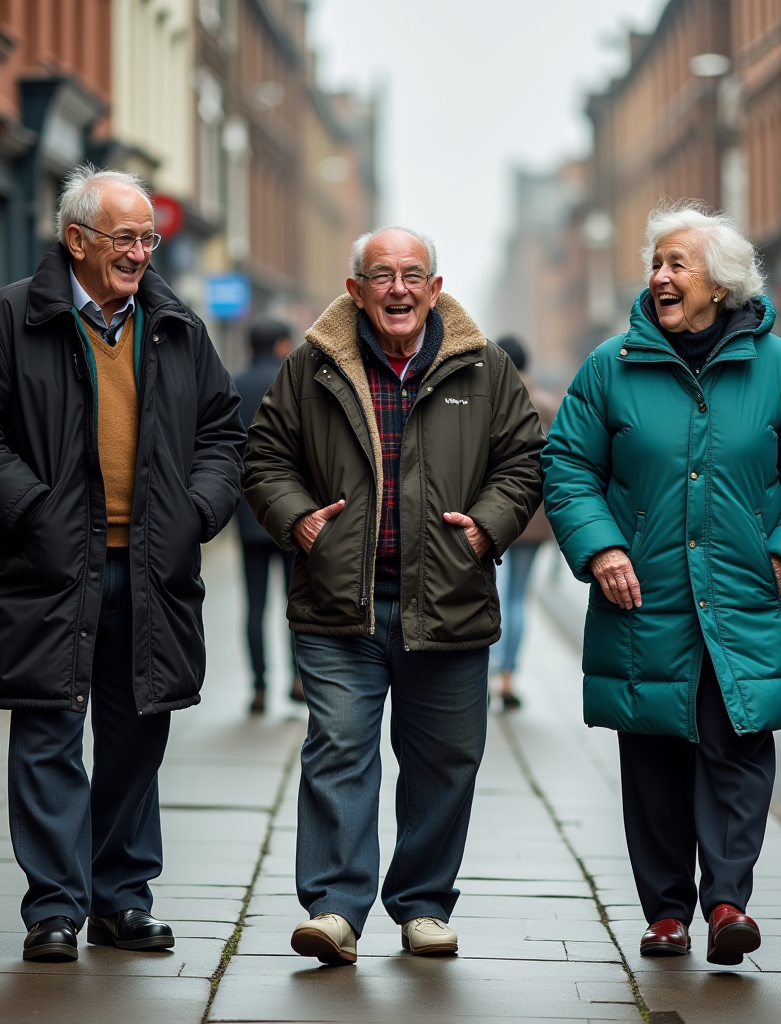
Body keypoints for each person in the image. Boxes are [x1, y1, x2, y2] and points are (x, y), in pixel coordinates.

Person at [0, 165, 245, 963]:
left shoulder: (176, 326)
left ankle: (122, 899)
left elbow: (223, 434)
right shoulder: (9, 319)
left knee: (139, 735)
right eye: (125, 237)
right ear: (77, 240)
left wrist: (196, 514)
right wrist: (33, 510)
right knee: (47, 736)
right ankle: (55, 910)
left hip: (150, 569)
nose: (141, 252)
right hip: (46, 567)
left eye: (148, 238)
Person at [542, 199, 781, 967]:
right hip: (644, 598)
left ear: (722, 283)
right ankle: (668, 913)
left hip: (748, 593)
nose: (661, 276)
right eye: (657, 263)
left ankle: (728, 904)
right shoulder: (611, 366)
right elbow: (568, 466)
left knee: (739, 749)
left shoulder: (779, 368)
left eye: (678, 263)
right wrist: (603, 548)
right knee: (655, 760)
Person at [244, 226, 544, 964]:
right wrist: (296, 519)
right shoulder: (312, 366)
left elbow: (526, 460)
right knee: (338, 752)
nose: (399, 289)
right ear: (356, 290)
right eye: (382, 275)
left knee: (445, 759)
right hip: (338, 605)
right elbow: (263, 457)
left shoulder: (486, 367)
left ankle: (422, 906)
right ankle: (336, 910)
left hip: (447, 599)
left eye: (414, 274)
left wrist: (487, 528)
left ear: (436, 288)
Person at [233, 318, 304, 714]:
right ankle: (297, 677)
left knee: (254, 604)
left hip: (247, 514)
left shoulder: (234, 384)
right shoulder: (291, 382)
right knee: (294, 601)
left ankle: (259, 687)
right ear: (280, 346)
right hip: (289, 514)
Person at [490, 335, 559, 709]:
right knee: (518, 597)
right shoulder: (547, 405)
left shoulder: (491, 400)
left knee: (491, 596)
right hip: (534, 519)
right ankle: (507, 677)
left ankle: (485, 672)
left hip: (494, 516)